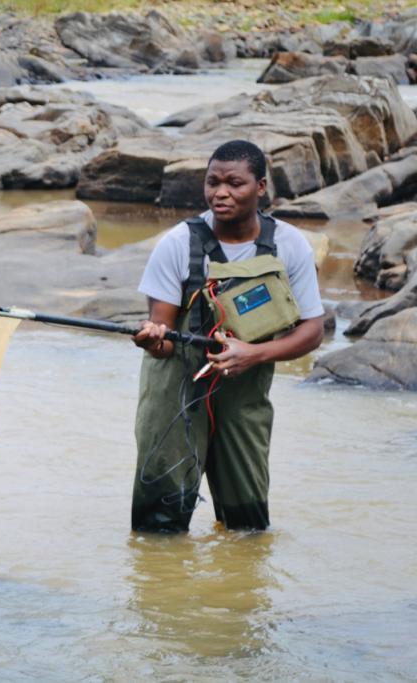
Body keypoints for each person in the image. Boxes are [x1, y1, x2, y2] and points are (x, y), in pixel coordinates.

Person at [130, 139, 324, 533]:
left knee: (249, 527)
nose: (220, 193)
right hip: (176, 399)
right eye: (212, 182)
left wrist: (254, 354)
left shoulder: (289, 245)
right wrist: (153, 339)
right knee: (158, 529)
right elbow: (163, 337)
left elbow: (313, 330)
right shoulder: (177, 244)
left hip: (244, 398)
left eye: (234, 183)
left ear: (261, 187)